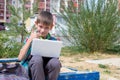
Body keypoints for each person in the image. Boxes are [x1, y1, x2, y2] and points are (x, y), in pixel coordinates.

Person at [18, 11, 61, 80]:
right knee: (37, 59)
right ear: (36, 24)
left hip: (46, 68)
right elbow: (20, 58)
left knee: (55, 62)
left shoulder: (53, 40)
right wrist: (30, 40)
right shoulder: (30, 38)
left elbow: (55, 61)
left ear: (51, 27)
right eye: (40, 26)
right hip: (32, 67)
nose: (43, 30)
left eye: (46, 28)